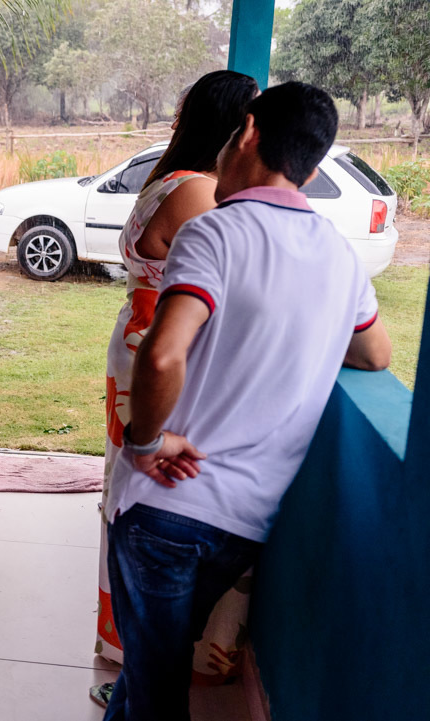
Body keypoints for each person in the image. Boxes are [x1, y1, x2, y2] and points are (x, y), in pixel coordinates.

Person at [100, 81, 391, 721]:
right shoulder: (344, 261)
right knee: (152, 675)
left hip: (166, 508)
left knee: (154, 689)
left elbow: (165, 353)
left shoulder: (215, 234)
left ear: (248, 132)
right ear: (313, 169)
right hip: (246, 523)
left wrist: (146, 443)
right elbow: (375, 356)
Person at [95, 70, 259, 689]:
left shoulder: (166, 178)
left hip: (141, 339)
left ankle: (125, 640)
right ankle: (154, 648)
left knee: (130, 487)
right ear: (236, 128)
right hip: (167, 350)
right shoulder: (198, 191)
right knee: (158, 487)